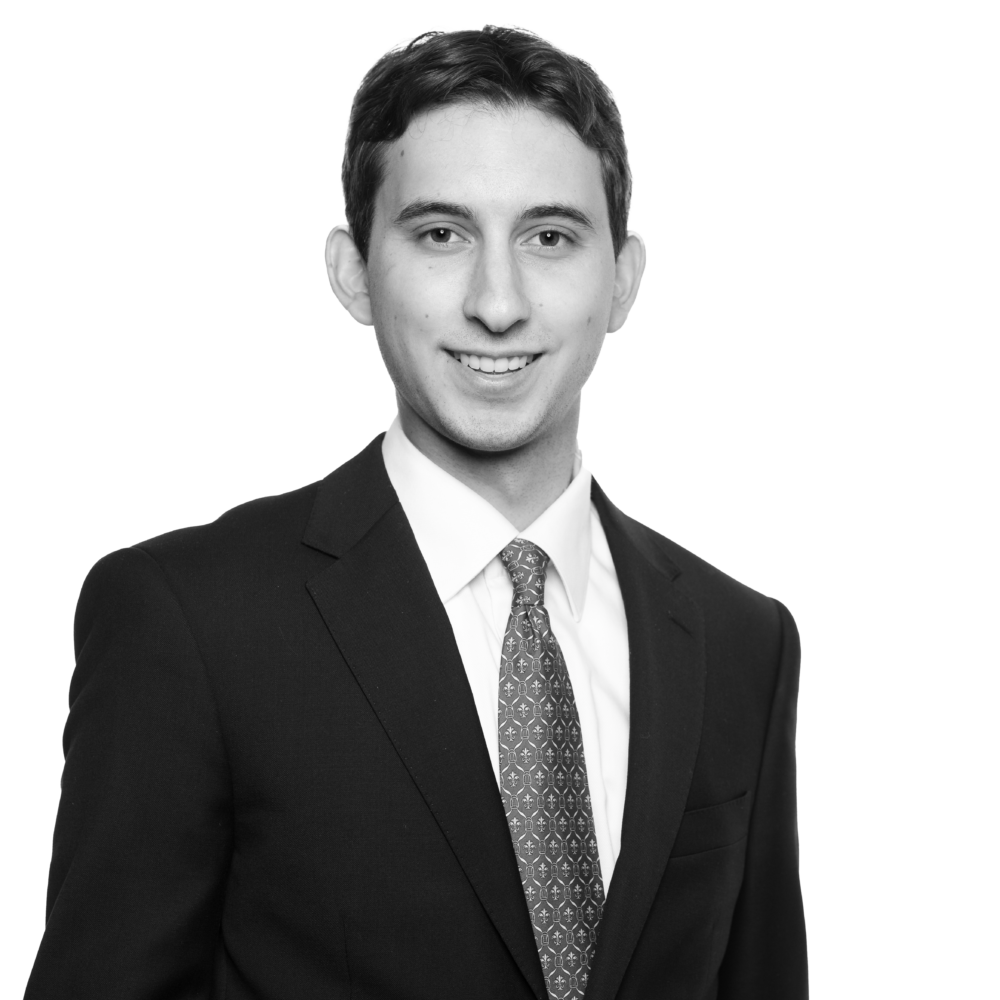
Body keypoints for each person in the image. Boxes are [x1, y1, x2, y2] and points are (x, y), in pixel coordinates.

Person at [26, 22, 807, 1000]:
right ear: (352, 269)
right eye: (441, 234)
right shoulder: (187, 618)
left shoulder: (741, 639)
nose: (497, 303)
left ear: (624, 277)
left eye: (550, 237)